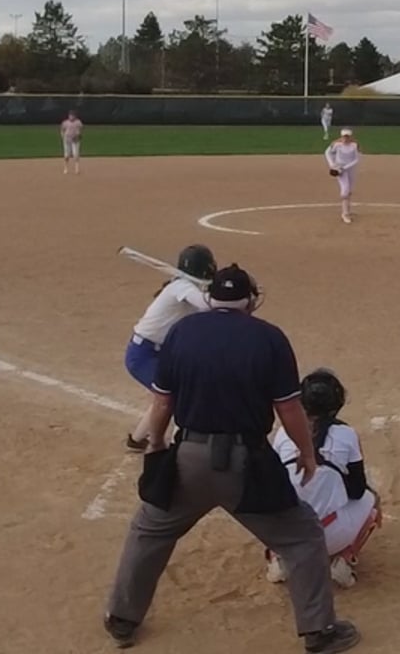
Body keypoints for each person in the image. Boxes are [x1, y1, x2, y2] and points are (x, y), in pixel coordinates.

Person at [102, 264, 361, 654]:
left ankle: (122, 619)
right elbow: (289, 409)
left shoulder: (182, 332)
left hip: (188, 459)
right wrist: (307, 453)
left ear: (209, 298)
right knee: (302, 537)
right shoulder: (269, 337)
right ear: (250, 301)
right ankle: (319, 631)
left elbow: (162, 403)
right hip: (247, 465)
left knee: (148, 531)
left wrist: (155, 443)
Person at [268, 368, 382, 590]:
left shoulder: (283, 433)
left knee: (271, 505)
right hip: (328, 536)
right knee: (372, 500)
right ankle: (344, 560)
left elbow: (273, 480)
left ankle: (277, 557)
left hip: (285, 534)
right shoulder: (346, 434)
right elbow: (357, 490)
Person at [121, 245, 220, 452]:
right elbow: (207, 305)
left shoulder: (186, 287)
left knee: (170, 394)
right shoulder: (182, 287)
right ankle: (178, 445)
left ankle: (138, 439)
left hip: (160, 353)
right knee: (175, 396)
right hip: (143, 354)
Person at [325, 129, 361, 225]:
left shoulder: (354, 146)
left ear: (350, 137)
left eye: (347, 136)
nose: (345, 138)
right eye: (344, 136)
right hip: (340, 170)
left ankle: (347, 209)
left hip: (350, 169)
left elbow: (356, 159)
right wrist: (332, 165)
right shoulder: (337, 145)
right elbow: (327, 152)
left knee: (350, 190)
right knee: (345, 190)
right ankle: (345, 214)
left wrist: (344, 168)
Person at [62, 110, 84, 175]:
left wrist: (79, 135)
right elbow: (62, 130)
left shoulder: (78, 122)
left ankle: (77, 169)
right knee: (67, 155)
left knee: (76, 154)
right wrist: (63, 137)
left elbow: (81, 130)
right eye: (70, 115)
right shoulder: (65, 122)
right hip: (67, 140)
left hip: (75, 141)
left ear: (75, 116)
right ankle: (65, 168)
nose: (71, 117)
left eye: (72, 115)